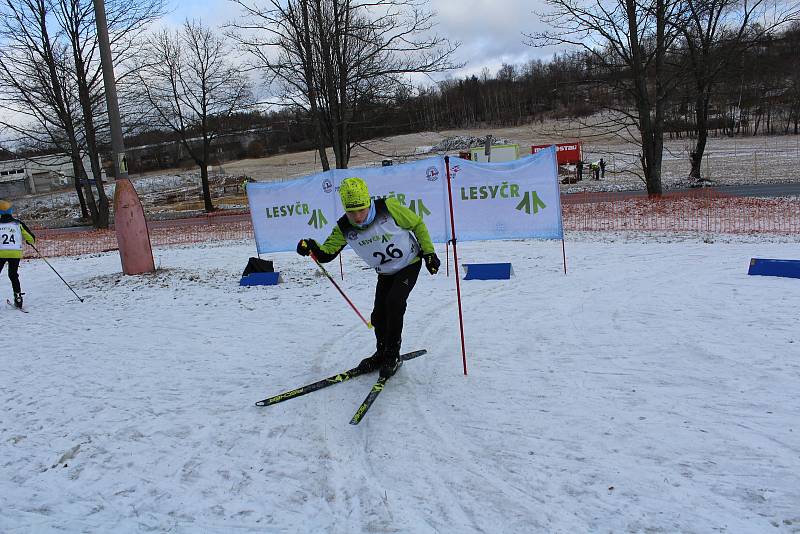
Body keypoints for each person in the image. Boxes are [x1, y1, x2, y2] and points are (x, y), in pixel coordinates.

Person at [296, 177, 440, 378]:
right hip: (385, 272)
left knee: (395, 302)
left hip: (408, 264)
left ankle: (392, 355)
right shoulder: (345, 227)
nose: (357, 217)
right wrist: (311, 247)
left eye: (362, 210)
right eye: (351, 212)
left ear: (369, 202)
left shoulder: (388, 208)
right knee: (378, 316)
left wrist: (429, 253)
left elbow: (417, 224)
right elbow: (327, 253)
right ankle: (381, 353)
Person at [0, 200, 36, 308]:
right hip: (15, 252)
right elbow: (31, 237)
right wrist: (29, 241)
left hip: (1, 253)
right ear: (10, 211)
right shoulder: (17, 224)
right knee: (13, 275)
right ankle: (18, 297)